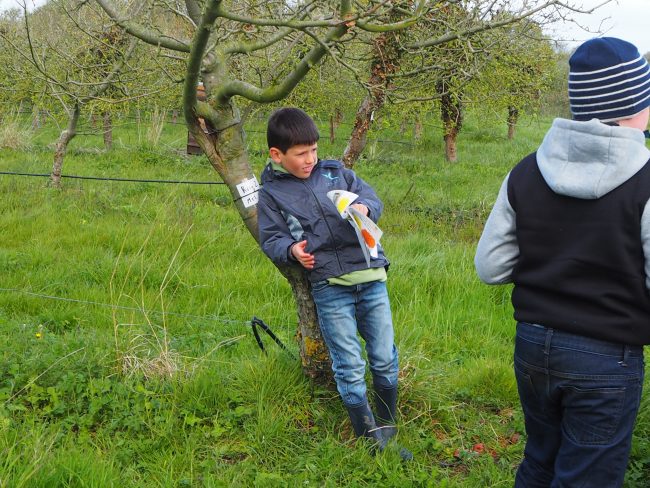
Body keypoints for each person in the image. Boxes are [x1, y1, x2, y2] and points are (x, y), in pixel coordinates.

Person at [475, 37, 650, 487]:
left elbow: (490, 267)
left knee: (540, 460)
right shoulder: (646, 181)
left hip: (534, 346)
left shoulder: (526, 171)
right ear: (635, 105)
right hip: (607, 358)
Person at [257, 107, 411, 460]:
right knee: (349, 365)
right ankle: (369, 439)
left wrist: (365, 209)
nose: (310, 159)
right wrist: (291, 250)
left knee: (384, 356)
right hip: (330, 286)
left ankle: (388, 428)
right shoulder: (272, 194)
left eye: (313, 150)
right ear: (277, 155)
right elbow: (271, 238)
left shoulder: (335, 173)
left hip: (371, 277)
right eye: (301, 153)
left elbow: (371, 198)